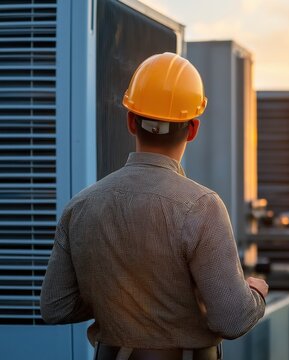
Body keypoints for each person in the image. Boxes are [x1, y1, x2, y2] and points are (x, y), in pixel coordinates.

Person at [40, 52, 268, 360]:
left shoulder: (80, 206)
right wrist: (255, 292)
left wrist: (113, 298)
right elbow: (232, 318)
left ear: (131, 120)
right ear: (192, 129)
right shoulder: (202, 207)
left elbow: (56, 305)